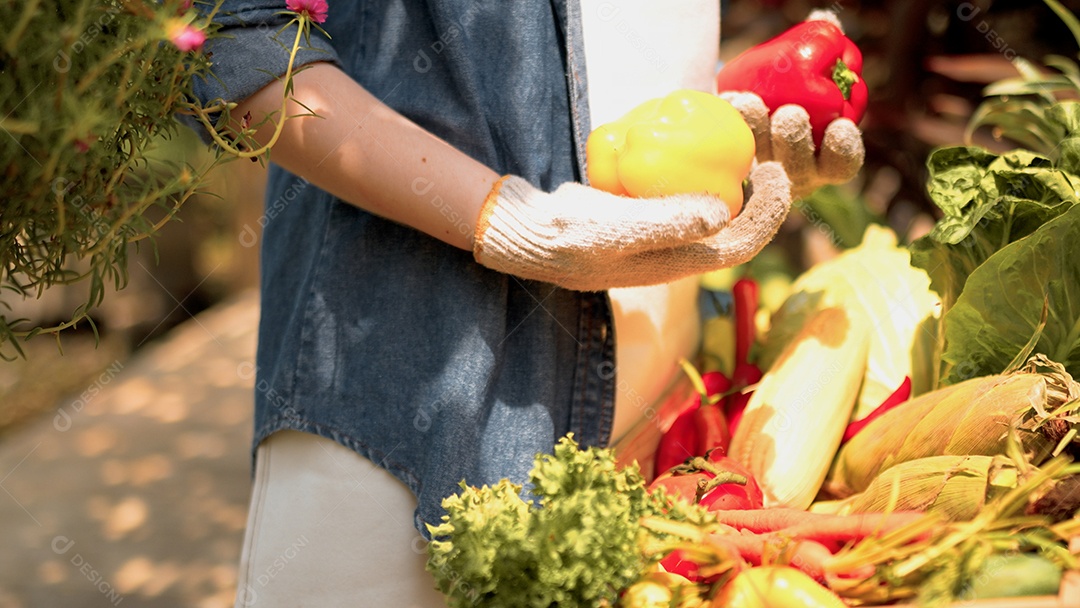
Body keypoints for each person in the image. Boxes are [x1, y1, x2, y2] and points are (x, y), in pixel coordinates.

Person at [187, 1, 863, 605]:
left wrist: (741, 115)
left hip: (651, 419)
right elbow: (235, 38)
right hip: (408, 401)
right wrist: (502, 218)